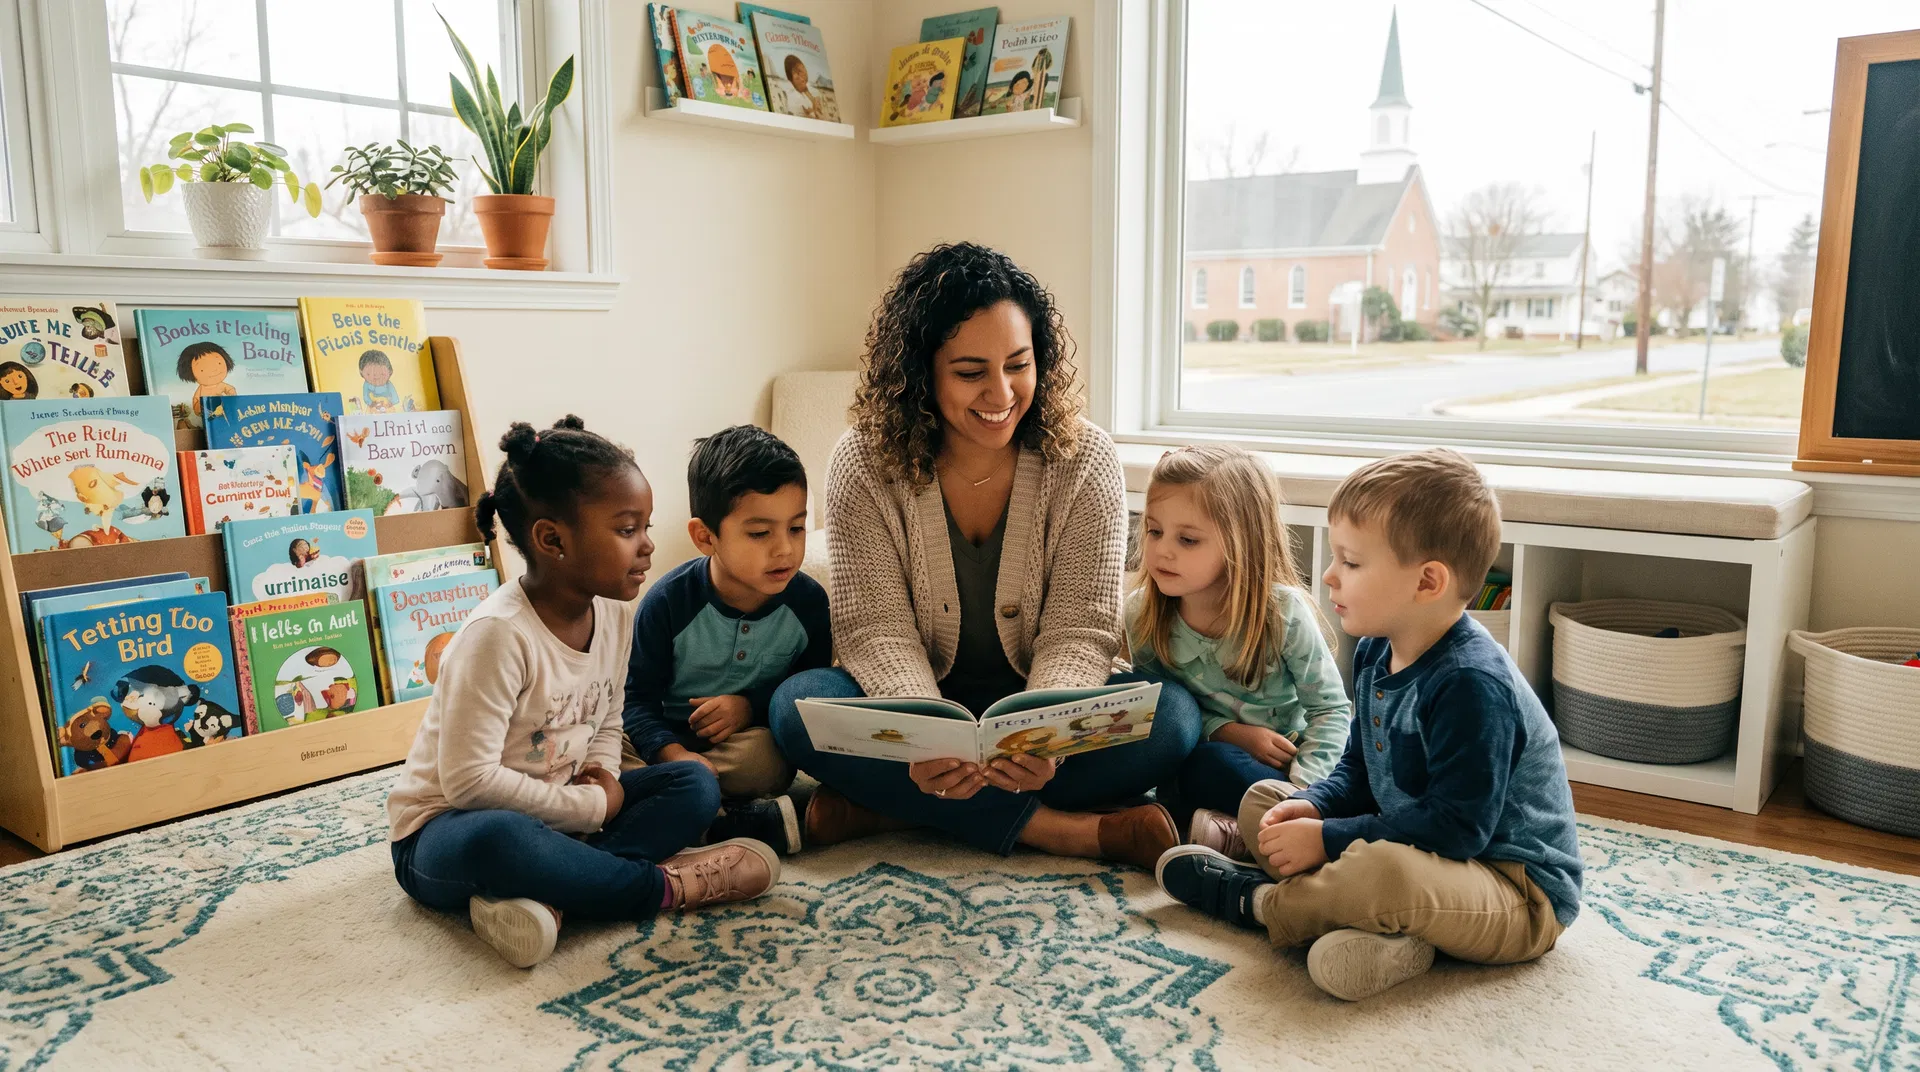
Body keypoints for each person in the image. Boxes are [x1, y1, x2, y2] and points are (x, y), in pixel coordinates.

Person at [769, 241, 1203, 871]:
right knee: (795, 708)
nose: (1001, 392)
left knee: (1176, 720)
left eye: (1018, 365)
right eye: (971, 372)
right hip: (917, 701)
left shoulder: (1086, 459)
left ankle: (889, 812)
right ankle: (1062, 832)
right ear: (923, 374)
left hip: (1041, 706)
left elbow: (1081, 629)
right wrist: (925, 736)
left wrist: (1045, 736)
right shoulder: (862, 460)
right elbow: (875, 630)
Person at [1156, 449, 1582, 1001]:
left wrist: (1329, 838)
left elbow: (1458, 830)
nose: (1329, 575)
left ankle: (1256, 901)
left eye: (1351, 563)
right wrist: (1315, 807)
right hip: (1422, 850)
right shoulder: (1377, 651)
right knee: (1265, 802)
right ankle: (1384, 932)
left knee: (1383, 871)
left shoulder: (1471, 684)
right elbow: (1359, 767)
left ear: (1427, 582)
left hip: (1512, 889)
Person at [385, 417, 780, 970]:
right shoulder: (498, 635)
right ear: (553, 540)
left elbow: (608, 717)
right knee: (503, 839)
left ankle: (556, 893)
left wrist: (606, 780)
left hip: (566, 807)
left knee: (693, 784)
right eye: (627, 530)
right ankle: (662, 887)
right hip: (448, 828)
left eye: (645, 526)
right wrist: (592, 806)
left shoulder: (616, 613)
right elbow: (468, 782)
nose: (648, 545)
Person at [1129, 445, 1350, 858]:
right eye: (1154, 532)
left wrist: (1303, 792)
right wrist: (1229, 731)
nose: (1162, 551)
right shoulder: (1142, 614)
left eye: (1187, 539)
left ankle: (1265, 830)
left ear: (1240, 543)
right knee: (1204, 767)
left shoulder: (1283, 613)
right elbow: (1163, 712)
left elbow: (1332, 711)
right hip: (1214, 761)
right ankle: (1247, 833)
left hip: (1297, 768)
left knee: (1368, 773)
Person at [623, 424, 830, 855]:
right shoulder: (667, 603)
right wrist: (670, 753)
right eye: (760, 533)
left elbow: (806, 692)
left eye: (796, 528)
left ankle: (680, 808)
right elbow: (635, 700)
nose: (785, 550)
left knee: (769, 762)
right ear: (706, 537)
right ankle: (706, 815)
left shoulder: (809, 604)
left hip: (735, 747)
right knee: (603, 753)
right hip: (657, 741)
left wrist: (748, 706)